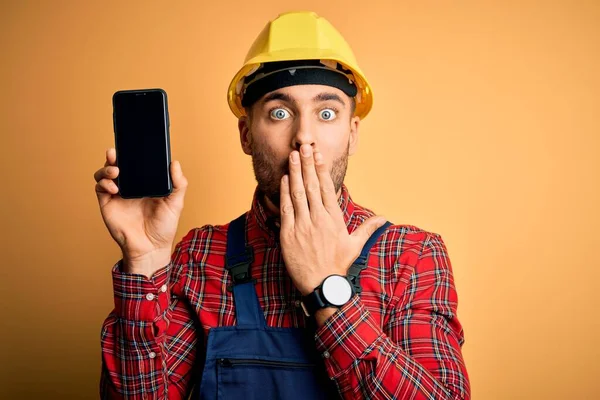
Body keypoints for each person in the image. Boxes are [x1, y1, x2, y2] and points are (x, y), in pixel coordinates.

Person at [95, 11, 470, 400]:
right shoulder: (201, 254)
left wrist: (326, 288)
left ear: (351, 134)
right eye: (279, 113)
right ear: (246, 134)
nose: (303, 137)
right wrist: (145, 260)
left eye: (327, 114)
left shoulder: (410, 256)